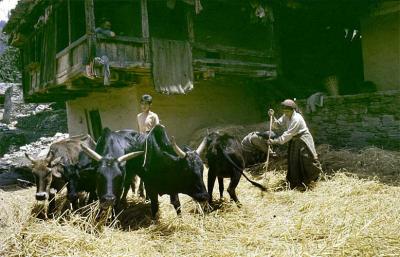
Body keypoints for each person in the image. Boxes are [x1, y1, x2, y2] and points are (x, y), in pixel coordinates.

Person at [267, 99, 322, 189]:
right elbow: (277, 125)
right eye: (284, 111)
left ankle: (313, 180)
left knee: (307, 159)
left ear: (292, 110)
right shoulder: (286, 115)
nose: (286, 113)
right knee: (294, 161)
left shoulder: (297, 119)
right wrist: (272, 117)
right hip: (295, 140)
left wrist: (275, 141)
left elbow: (288, 134)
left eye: (287, 111)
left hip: (303, 139)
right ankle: (298, 182)